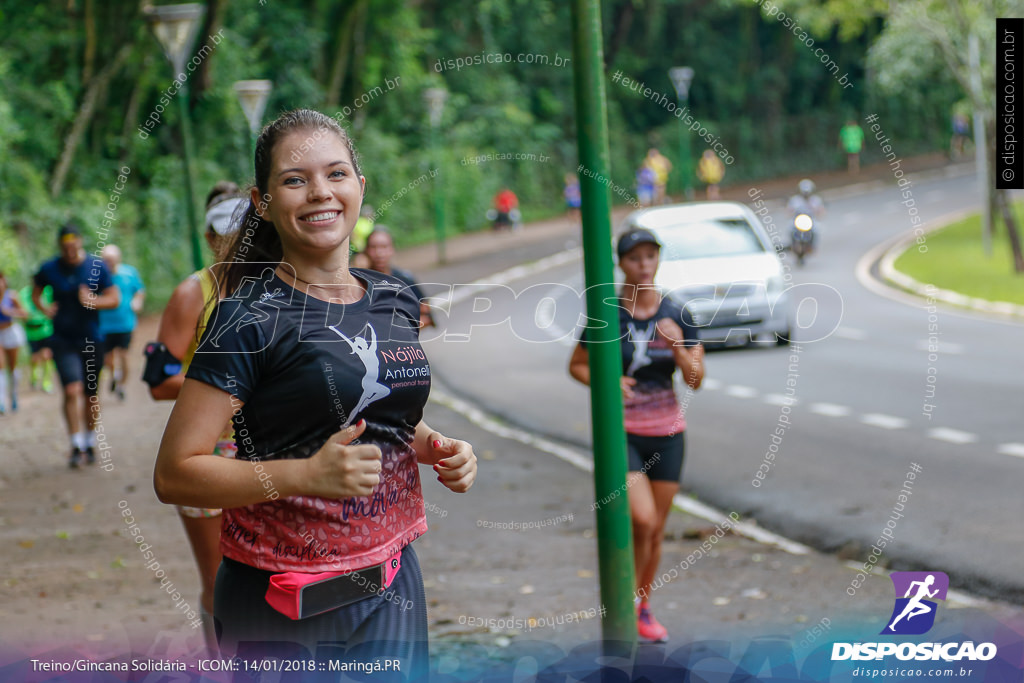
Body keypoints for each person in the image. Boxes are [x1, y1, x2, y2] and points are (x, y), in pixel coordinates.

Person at [154, 109, 478, 672]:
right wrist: (304, 475)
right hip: (281, 602)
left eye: (336, 174)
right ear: (262, 201)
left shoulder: (393, 298)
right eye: (295, 179)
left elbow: (387, 419)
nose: (319, 193)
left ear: (360, 186)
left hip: (393, 588)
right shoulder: (247, 319)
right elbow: (175, 471)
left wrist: (438, 448)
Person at [568, 228, 704, 643]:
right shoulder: (607, 313)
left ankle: (641, 605)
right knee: (640, 518)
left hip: (668, 434)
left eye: (650, 257)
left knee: (655, 529)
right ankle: (623, 601)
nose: (644, 265)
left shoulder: (678, 313)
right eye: (635, 258)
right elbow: (577, 364)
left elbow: (696, 379)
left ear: (658, 260)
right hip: (622, 433)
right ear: (621, 263)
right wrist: (606, 382)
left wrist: (679, 349)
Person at [145, 181, 247, 652]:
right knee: (221, 577)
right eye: (225, 233)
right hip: (205, 451)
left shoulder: (277, 284)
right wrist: (224, 392)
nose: (237, 241)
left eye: (245, 229)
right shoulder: (193, 292)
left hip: (271, 451)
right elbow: (158, 380)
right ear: (209, 237)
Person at [33, 224, 120, 467]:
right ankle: (75, 443)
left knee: (90, 396)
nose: (70, 251)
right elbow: (35, 292)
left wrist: (94, 301)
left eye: (74, 246)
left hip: (92, 339)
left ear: (80, 243)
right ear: (60, 246)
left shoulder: (96, 267)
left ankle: (90, 441)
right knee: (72, 390)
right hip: (62, 340)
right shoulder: (49, 268)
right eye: (65, 247)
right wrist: (43, 308)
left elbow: (114, 298)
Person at [99, 244, 145, 401]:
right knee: (108, 359)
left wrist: (137, 301)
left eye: (111, 259)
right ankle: (114, 375)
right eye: (105, 260)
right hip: (104, 325)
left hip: (125, 323)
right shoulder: (98, 276)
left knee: (124, 355)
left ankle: (121, 385)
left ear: (118, 258)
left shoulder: (129, 272)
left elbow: (139, 290)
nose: (108, 263)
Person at [364, 227, 434, 329]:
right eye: (373, 247)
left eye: (384, 247)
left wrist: (400, 332)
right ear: (366, 250)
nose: (379, 253)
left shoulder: (405, 280)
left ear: (392, 249)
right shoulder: (359, 282)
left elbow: (426, 316)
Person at [0, 271, 29, 414]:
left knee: (12, 367)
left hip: (11, 332)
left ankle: (14, 394)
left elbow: (25, 314)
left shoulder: (11, 296)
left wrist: (9, 312)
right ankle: (1, 401)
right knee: (0, 366)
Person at [19, 283, 55, 393]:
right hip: (31, 331)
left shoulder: (49, 291)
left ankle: (46, 381)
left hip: (46, 329)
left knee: (47, 355)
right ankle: (34, 375)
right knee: (34, 357)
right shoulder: (24, 293)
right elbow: (22, 311)